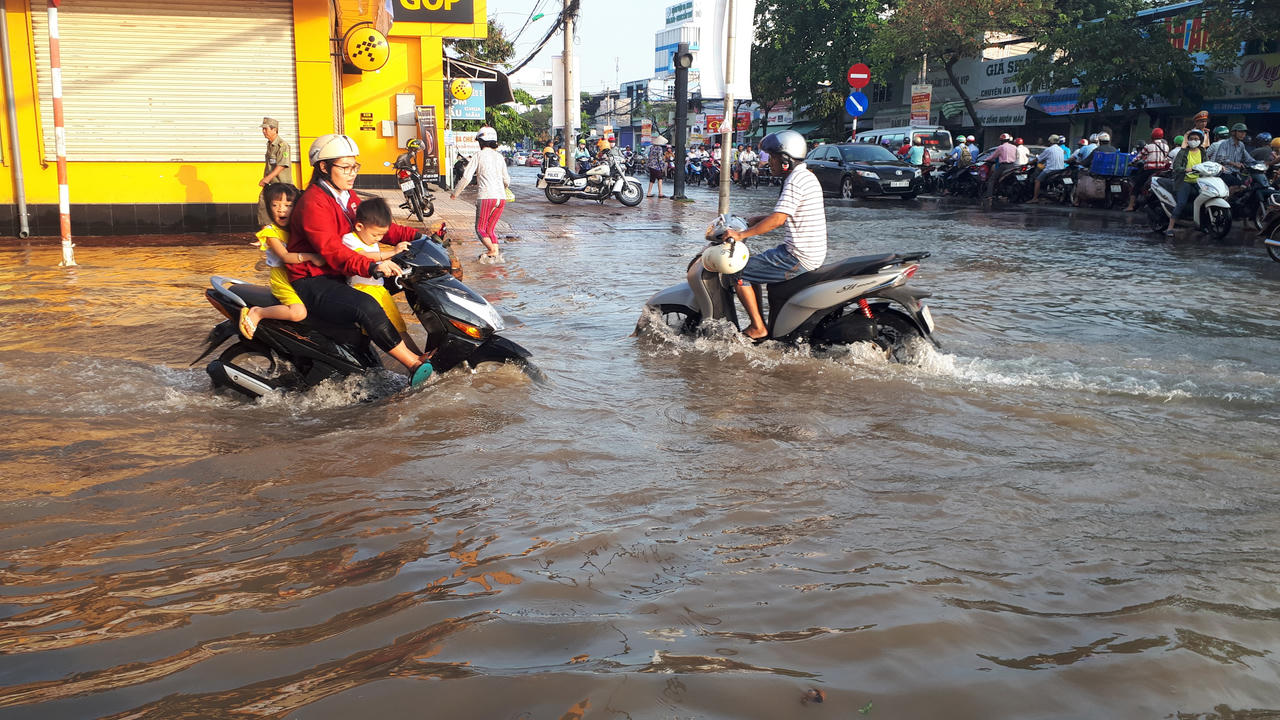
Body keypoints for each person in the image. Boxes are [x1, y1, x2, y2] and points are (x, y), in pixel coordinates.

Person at [286, 133, 433, 386]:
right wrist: (372, 265)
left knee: (406, 282)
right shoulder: (314, 202)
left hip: (343, 272)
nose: (352, 173)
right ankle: (411, 363)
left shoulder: (348, 197)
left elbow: (379, 227)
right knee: (366, 305)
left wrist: (422, 236)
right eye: (345, 167)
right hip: (314, 279)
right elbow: (331, 250)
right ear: (324, 167)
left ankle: (418, 350)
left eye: (355, 166)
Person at [724, 130, 827, 340]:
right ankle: (761, 323)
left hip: (797, 256)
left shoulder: (795, 181)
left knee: (737, 272)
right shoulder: (805, 176)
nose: (769, 162)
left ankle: (758, 327)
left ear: (786, 160)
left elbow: (778, 220)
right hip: (802, 251)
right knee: (752, 268)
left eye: (772, 158)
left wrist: (742, 235)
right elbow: (786, 215)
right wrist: (755, 219)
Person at [239, 183, 326, 339]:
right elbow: (285, 256)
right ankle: (259, 312)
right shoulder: (271, 232)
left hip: (302, 277)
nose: (281, 209)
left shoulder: (298, 228)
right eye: (275, 205)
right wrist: (311, 257)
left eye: (288, 205)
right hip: (282, 278)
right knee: (298, 313)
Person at [341, 197, 422, 355]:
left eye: (381, 235)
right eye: (375, 235)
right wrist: (391, 252)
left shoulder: (371, 239)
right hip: (363, 289)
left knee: (398, 326)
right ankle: (413, 358)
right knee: (385, 328)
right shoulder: (349, 239)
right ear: (359, 226)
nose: (378, 239)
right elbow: (363, 256)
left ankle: (417, 355)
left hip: (379, 289)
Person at [451, 126, 511, 264]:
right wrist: (503, 188)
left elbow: (466, 177)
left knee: (480, 229)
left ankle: (492, 251)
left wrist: (456, 193)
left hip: (486, 197)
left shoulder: (478, 155)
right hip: (501, 198)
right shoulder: (500, 157)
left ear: (480, 142)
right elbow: (507, 180)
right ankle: (494, 258)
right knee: (490, 229)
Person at [1164, 128, 1207, 237]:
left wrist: (1219, 166)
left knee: (1205, 200)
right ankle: (1170, 227)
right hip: (1184, 180)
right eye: (1191, 138)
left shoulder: (1203, 152)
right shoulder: (1182, 152)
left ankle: (1202, 225)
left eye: (1196, 139)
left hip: (1199, 181)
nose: (1194, 140)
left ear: (1200, 140)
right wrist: (1185, 169)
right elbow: (1176, 167)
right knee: (1181, 203)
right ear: (1188, 141)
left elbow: (1207, 164)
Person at [256, 117, 291, 227]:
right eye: (263, 129)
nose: (264, 131)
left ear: (274, 129)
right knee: (263, 204)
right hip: (270, 183)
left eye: (266, 129)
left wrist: (266, 178)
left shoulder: (282, 145)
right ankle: (266, 236)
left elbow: (282, 165)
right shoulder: (269, 145)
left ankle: (282, 237)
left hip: (281, 184)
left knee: (282, 210)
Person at [1126, 128, 1171, 211]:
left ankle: (1130, 206)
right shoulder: (1166, 147)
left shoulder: (1148, 147)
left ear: (1152, 136)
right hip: (1161, 170)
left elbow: (1139, 157)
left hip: (1149, 170)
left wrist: (1132, 162)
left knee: (1137, 186)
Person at [1028, 135, 1066, 203]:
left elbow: (1038, 159)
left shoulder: (1048, 149)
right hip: (1061, 169)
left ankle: (1035, 198)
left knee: (1037, 180)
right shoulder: (1061, 149)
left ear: (1050, 141)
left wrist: (1029, 163)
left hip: (1051, 170)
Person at [984, 133, 1018, 203]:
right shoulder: (1014, 147)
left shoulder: (1001, 147)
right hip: (1012, 166)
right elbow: (1016, 156)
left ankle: (989, 196)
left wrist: (986, 159)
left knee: (991, 179)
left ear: (1001, 140)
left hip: (1004, 166)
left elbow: (993, 156)